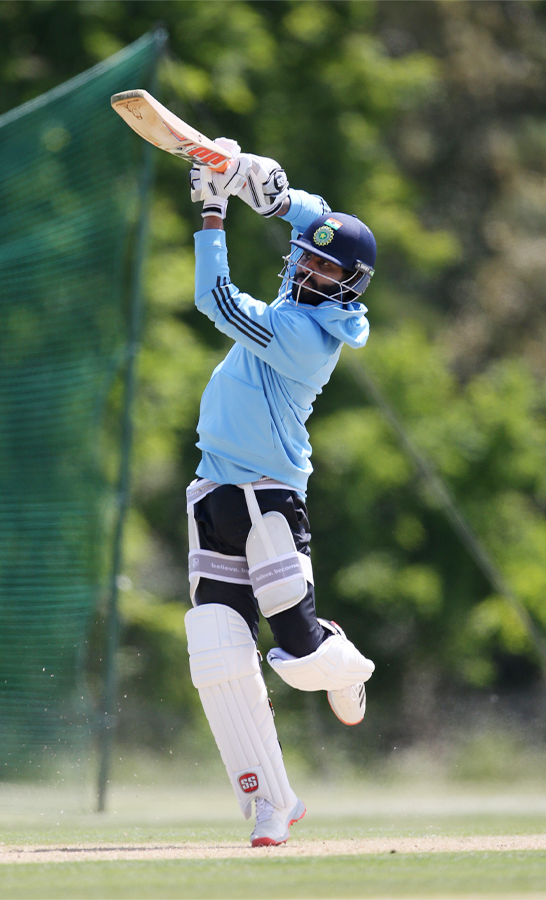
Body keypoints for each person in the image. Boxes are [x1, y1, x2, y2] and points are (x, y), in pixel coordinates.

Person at [184, 141, 376, 847]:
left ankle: (344, 662)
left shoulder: (303, 336)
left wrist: (212, 208)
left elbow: (214, 298)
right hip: (212, 489)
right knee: (214, 646)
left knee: (296, 656)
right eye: (306, 255)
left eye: (325, 266)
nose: (307, 265)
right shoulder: (305, 287)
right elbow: (321, 218)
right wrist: (258, 182)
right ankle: (272, 804)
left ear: (347, 287)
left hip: (269, 492)